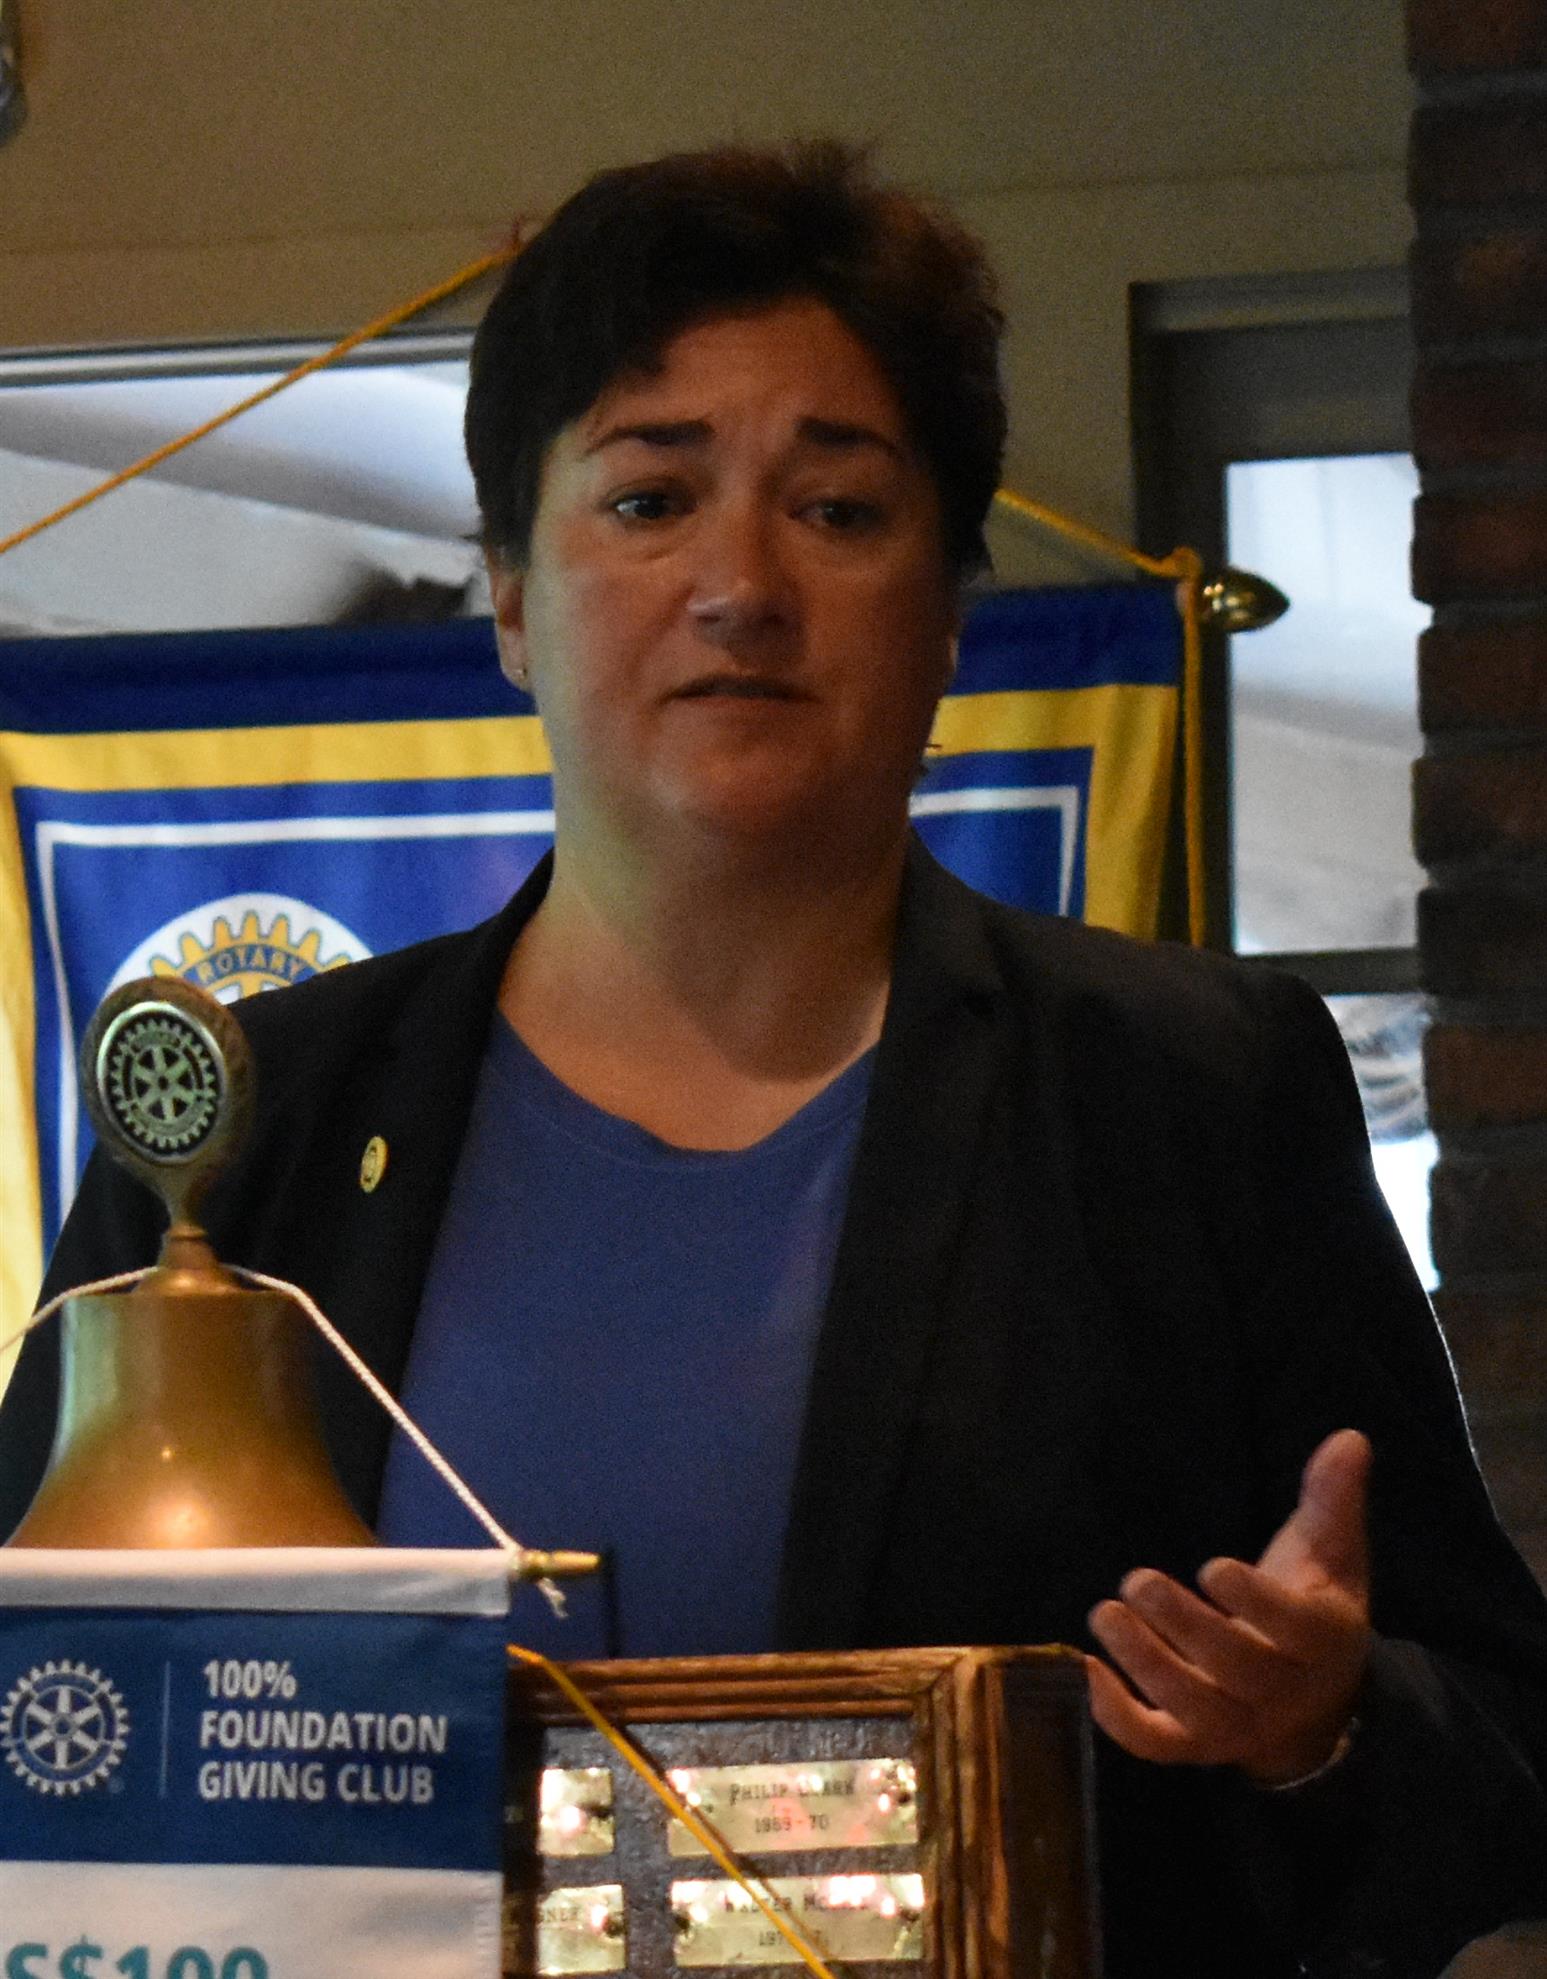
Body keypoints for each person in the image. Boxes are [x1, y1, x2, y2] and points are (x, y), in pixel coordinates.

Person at [6, 142, 1547, 1975]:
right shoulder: (254, 1122)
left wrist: (1319, 1728)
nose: (741, 584)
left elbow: (1507, 1770)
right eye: (650, 499)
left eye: (838, 509)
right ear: (511, 598)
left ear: (949, 609)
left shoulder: (1187, 1094)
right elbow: (49, 1732)